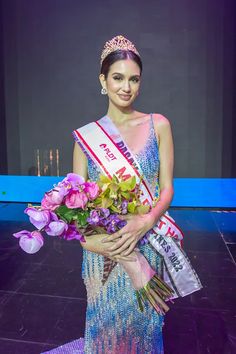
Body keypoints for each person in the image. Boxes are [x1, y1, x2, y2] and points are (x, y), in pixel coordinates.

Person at [43, 35, 201, 354]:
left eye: (133, 79)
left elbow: (167, 188)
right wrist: (124, 256)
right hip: (105, 251)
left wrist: (146, 219)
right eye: (117, 78)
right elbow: (78, 207)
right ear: (103, 79)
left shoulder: (159, 125)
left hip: (147, 240)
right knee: (103, 330)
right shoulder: (86, 139)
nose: (126, 87)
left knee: (146, 328)